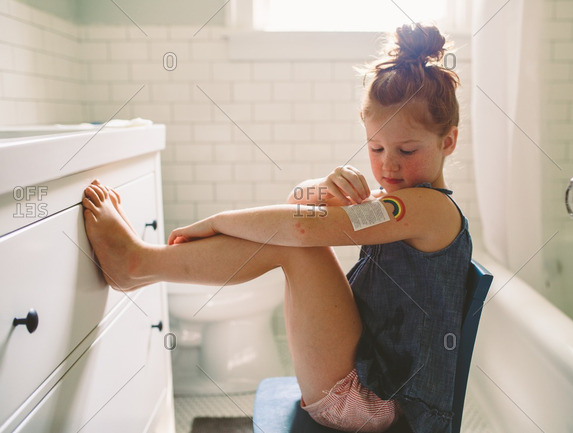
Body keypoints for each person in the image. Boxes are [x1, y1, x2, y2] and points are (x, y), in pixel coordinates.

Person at [81, 22, 471, 433]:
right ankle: (139, 264)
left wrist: (219, 219)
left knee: (292, 244)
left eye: (406, 150)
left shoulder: (428, 209)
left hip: (374, 404)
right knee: (290, 238)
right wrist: (323, 187)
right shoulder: (397, 199)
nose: (388, 164)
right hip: (369, 381)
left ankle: (138, 263)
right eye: (375, 148)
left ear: (448, 141)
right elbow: (297, 204)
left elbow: (301, 230)